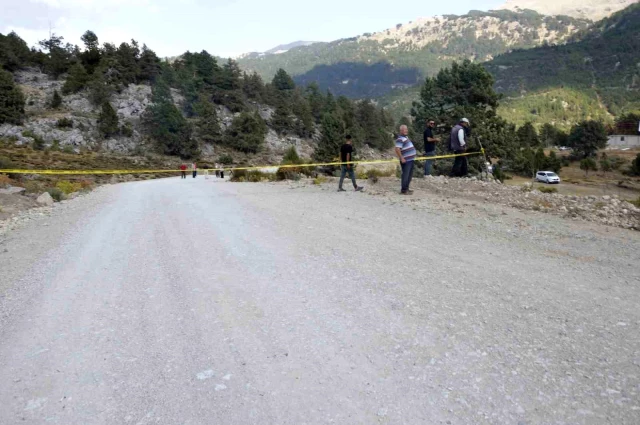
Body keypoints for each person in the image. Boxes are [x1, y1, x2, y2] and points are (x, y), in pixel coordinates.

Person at [395, 125, 417, 194]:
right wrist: (401, 157)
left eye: (406, 129)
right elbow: (397, 149)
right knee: (406, 175)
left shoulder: (405, 137)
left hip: (411, 159)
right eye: (404, 130)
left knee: (409, 175)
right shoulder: (400, 139)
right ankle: (404, 190)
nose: (406, 131)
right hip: (406, 160)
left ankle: (407, 188)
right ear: (401, 131)